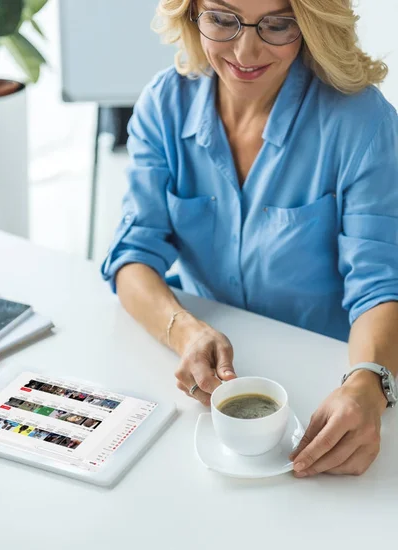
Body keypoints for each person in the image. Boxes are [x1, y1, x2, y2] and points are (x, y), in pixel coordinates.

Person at [102, 0, 398, 477]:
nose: (245, 50)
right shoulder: (164, 103)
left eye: (277, 24)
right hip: (208, 387)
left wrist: (369, 383)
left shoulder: (361, 123)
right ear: (192, 13)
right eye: (222, 19)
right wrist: (186, 331)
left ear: (311, 25)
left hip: (329, 380)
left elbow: (381, 286)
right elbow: (132, 257)